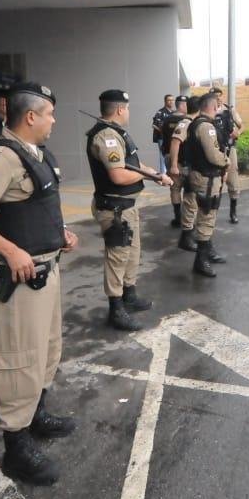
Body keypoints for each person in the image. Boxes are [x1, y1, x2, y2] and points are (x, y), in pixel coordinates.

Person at [0, 82, 79, 486]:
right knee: (20, 358)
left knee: (46, 350)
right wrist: (10, 250)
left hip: (47, 270)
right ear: (31, 116)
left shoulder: (36, 156)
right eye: (50, 114)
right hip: (20, 280)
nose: (54, 121)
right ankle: (16, 445)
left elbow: (35, 209)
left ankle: (35, 415)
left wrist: (61, 234)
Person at [87, 90, 173, 331]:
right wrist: (148, 175)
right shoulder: (107, 137)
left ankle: (129, 296)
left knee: (131, 253)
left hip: (126, 207)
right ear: (120, 109)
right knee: (117, 257)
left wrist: (156, 175)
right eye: (127, 108)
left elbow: (133, 165)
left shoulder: (118, 134)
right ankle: (116, 309)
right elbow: (118, 175)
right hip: (114, 208)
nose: (129, 112)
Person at [183, 93, 229, 277]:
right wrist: (226, 161)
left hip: (200, 175)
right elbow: (212, 155)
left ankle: (207, 251)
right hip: (207, 177)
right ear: (213, 106)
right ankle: (200, 261)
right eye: (217, 105)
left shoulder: (196, 123)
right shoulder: (206, 127)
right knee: (207, 215)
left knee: (206, 214)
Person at [169, 96, 201, 252]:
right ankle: (186, 236)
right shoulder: (186, 123)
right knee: (190, 200)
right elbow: (175, 140)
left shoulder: (191, 122)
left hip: (188, 166)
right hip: (184, 167)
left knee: (190, 200)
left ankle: (187, 230)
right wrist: (174, 165)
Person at [211, 86, 244, 223]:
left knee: (232, 178)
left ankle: (233, 212)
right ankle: (213, 212)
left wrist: (238, 132)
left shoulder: (229, 110)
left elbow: (241, 125)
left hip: (230, 148)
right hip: (214, 149)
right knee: (214, 180)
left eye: (220, 96)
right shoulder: (206, 111)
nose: (218, 99)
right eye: (215, 96)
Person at [160, 95, 189, 228]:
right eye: (186, 104)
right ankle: (188, 219)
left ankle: (177, 217)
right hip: (185, 160)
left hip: (170, 158)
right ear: (182, 105)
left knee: (175, 189)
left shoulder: (166, 120)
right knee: (189, 190)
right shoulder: (187, 121)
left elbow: (162, 138)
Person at [151, 94, 175, 174]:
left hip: (172, 138)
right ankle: (163, 175)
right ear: (165, 101)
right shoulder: (160, 112)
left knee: (172, 155)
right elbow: (154, 125)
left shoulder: (174, 113)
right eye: (169, 100)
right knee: (163, 156)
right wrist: (164, 132)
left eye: (172, 100)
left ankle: (170, 174)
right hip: (162, 138)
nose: (171, 102)